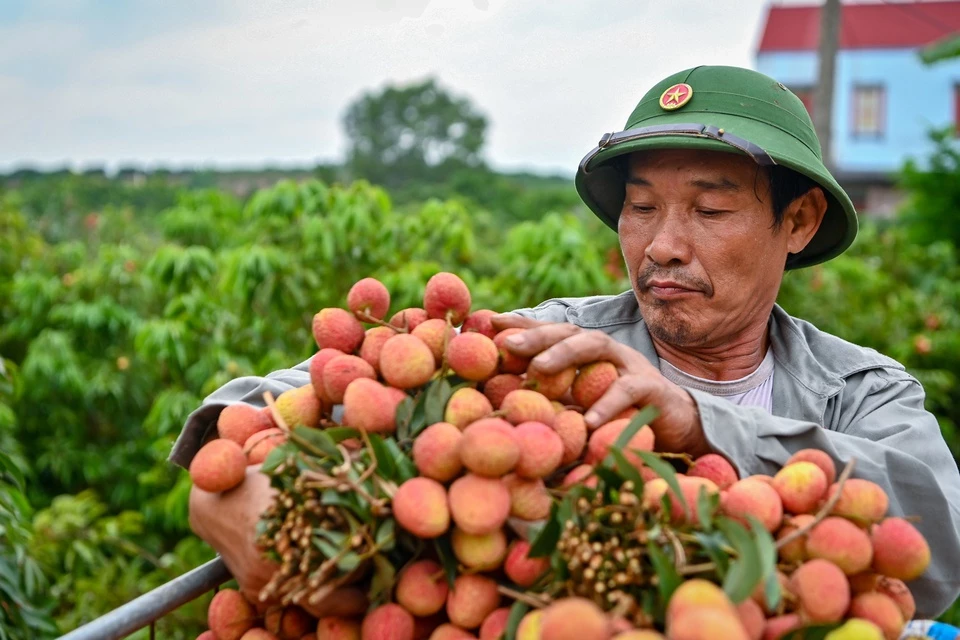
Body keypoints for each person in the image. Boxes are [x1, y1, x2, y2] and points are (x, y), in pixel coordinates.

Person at [174, 66, 960, 619]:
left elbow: (938, 536)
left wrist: (694, 422)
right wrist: (229, 487)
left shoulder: (861, 389)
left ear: (799, 221)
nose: (661, 246)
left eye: (709, 212)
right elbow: (278, 395)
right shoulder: (555, 348)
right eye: (642, 208)